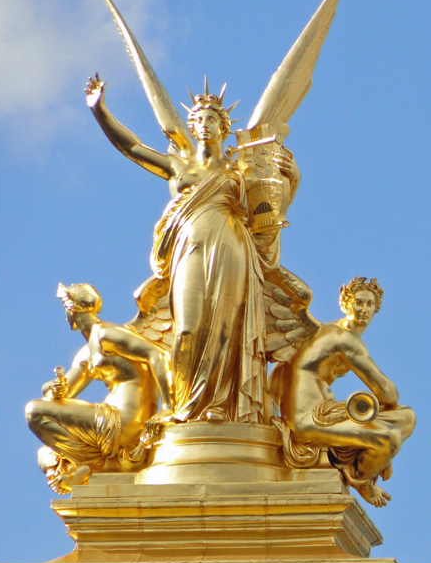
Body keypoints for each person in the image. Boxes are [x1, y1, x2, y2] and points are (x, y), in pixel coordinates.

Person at [86, 76, 299, 425]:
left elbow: (268, 214)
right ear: (191, 125)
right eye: (198, 119)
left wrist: (293, 181)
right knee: (187, 327)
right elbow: (132, 147)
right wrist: (100, 110)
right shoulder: (178, 165)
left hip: (231, 246)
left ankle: (220, 406)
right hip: (188, 248)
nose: (204, 124)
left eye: (212, 119)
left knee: (227, 327)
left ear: (224, 127)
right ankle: (185, 406)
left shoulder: (239, 169)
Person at [270, 277, 415, 507]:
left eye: (369, 304)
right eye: (358, 302)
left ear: (376, 309)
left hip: (324, 410)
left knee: (406, 417)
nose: (364, 310)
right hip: (307, 419)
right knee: (390, 437)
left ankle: (362, 459)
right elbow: (388, 394)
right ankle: (360, 479)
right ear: (345, 304)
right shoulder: (344, 339)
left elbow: (277, 376)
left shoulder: (327, 331)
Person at [24, 283, 164, 492]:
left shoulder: (105, 333)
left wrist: (167, 410)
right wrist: (54, 388)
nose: (66, 316)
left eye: (66, 309)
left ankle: (90, 465)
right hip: (110, 421)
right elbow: (64, 391)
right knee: (46, 455)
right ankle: (98, 465)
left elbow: (157, 355)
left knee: (34, 411)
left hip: (125, 420)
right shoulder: (86, 353)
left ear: (72, 308)